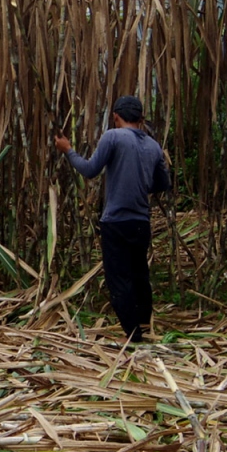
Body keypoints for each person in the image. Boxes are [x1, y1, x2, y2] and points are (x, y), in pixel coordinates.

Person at [55, 96, 172, 343]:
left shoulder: (113, 137)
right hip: (141, 223)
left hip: (116, 222)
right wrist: (140, 183)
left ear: (116, 116)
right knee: (140, 273)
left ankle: (134, 336)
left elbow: (89, 170)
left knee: (119, 278)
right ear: (141, 119)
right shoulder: (153, 145)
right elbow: (164, 183)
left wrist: (68, 151)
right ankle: (143, 324)